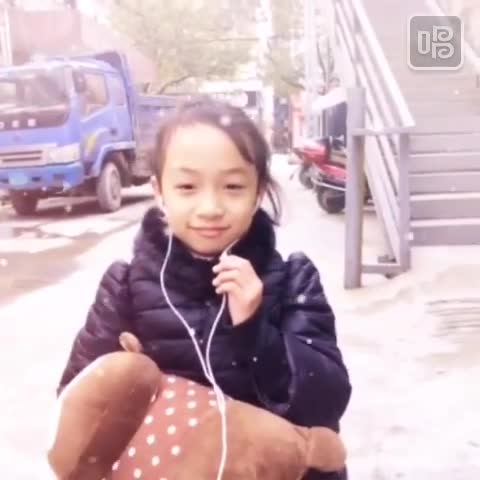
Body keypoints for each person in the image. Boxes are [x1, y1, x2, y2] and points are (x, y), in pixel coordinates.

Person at [57, 98, 352, 480]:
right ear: (159, 191)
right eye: (187, 186)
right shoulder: (124, 289)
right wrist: (127, 386)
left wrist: (256, 332)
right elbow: (75, 414)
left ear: (258, 192)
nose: (210, 207)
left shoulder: (294, 280)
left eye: (232, 186)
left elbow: (325, 406)